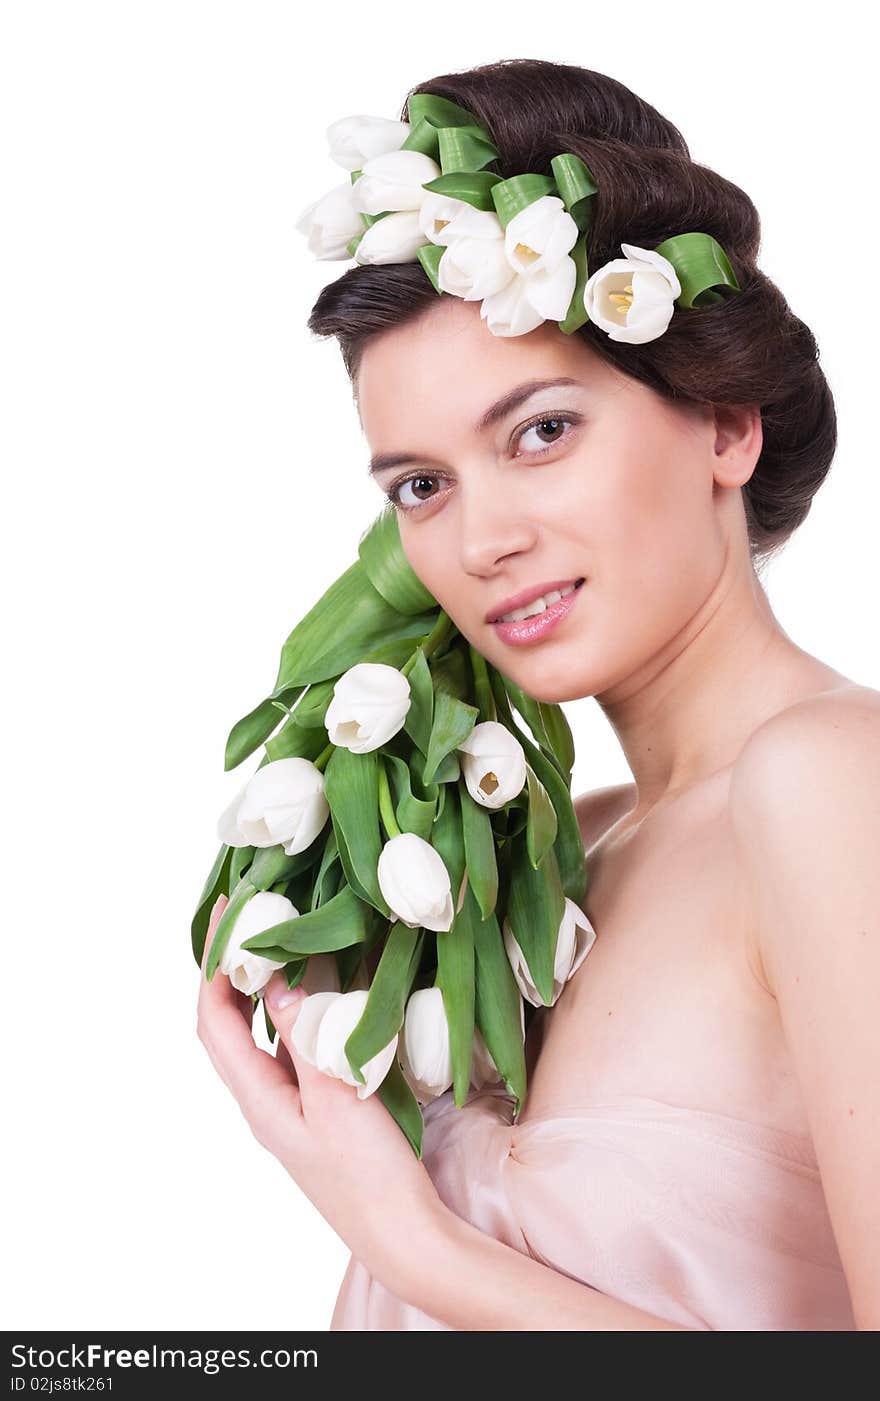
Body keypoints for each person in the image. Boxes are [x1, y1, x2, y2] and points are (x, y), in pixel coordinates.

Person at [196, 59, 880, 1331]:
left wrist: (415, 1241)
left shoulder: (830, 781)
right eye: (419, 484)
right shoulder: (554, 857)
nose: (479, 539)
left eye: (541, 432)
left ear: (727, 426)